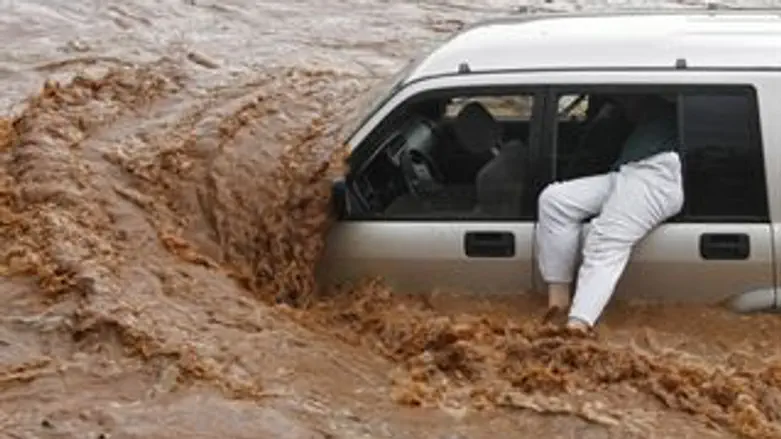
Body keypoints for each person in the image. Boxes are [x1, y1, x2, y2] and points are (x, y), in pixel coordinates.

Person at [535, 94, 685, 332]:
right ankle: (558, 303)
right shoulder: (644, 120)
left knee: (603, 241)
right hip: (629, 172)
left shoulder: (667, 109)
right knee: (554, 201)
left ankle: (577, 328)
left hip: (657, 176)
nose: (622, 104)